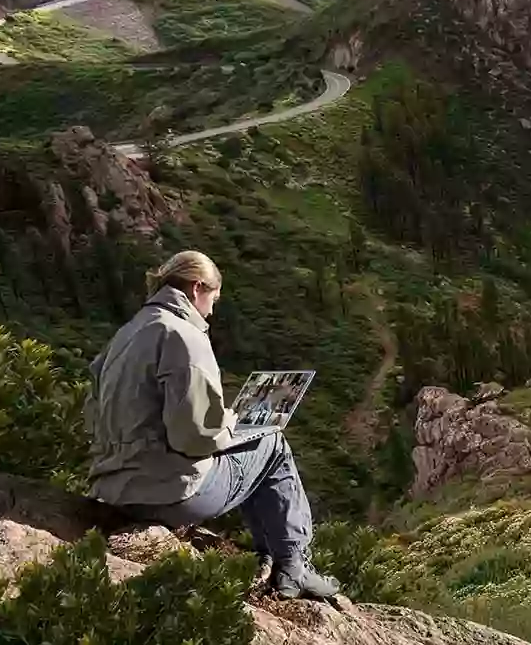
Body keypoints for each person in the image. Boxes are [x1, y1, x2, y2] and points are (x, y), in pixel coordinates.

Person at [86, 250, 341, 600]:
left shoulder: (127, 334)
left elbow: (96, 414)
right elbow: (196, 437)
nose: (211, 310)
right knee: (273, 446)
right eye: (213, 299)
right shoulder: (184, 335)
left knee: (256, 448)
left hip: (113, 487)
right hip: (165, 495)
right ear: (196, 289)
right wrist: (231, 423)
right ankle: (293, 567)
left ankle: (271, 557)